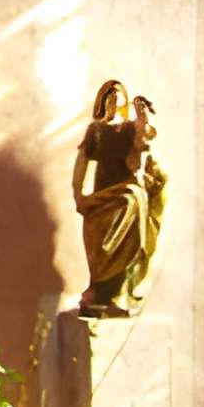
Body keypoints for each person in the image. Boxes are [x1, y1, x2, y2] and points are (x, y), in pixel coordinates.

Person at [71, 81, 167, 317]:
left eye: (118, 100)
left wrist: (143, 115)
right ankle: (99, 291)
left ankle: (120, 293)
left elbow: (143, 147)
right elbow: (81, 162)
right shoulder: (95, 130)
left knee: (132, 206)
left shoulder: (130, 129)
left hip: (127, 194)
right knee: (99, 244)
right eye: (109, 100)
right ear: (101, 103)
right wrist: (78, 194)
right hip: (102, 197)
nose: (114, 104)